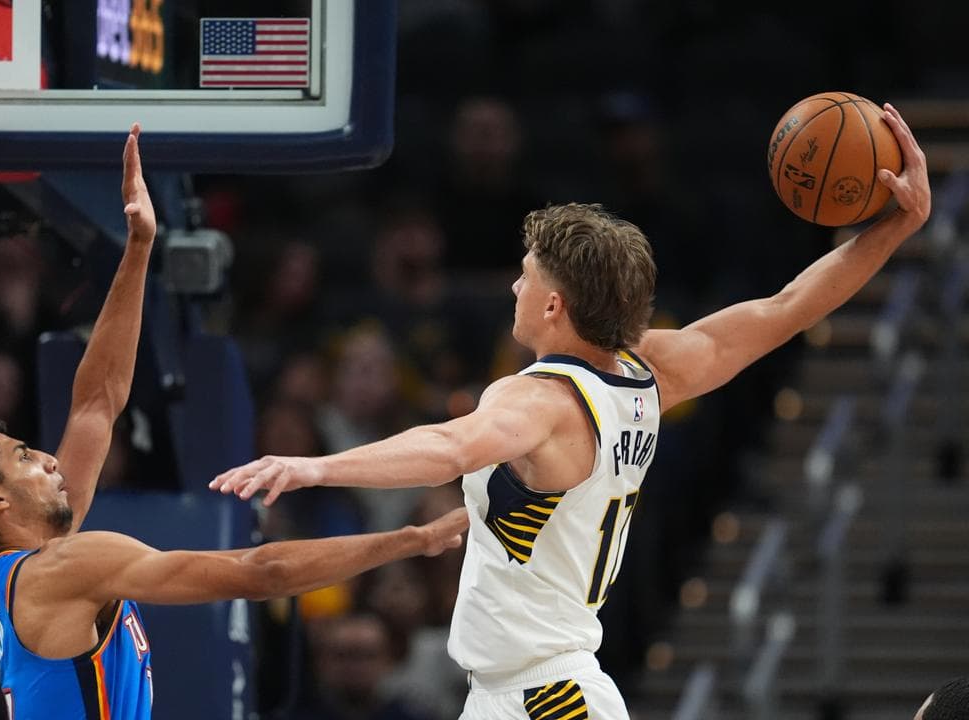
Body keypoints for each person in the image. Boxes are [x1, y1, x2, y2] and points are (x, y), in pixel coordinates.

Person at [212, 104, 931, 719]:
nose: (513, 289)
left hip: (543, 698)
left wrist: (314, 466)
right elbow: (787, 308)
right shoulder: (650, 371)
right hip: (533, 688)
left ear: (555, 303)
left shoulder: (541, 397)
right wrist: (895, 227)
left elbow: (448, 446)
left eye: (525, 277)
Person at [0, 124, 470, 720]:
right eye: (24, 456)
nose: (47, 458)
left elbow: (97, 402)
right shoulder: (68, 567)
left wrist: (139, 248)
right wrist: (410, 540)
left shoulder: (12, 579)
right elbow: (260, 572)